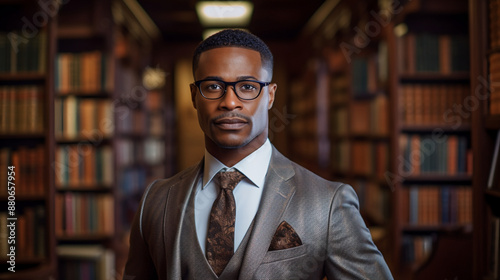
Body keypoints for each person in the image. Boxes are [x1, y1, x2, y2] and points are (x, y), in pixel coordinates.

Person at [123, 29, 393, 280]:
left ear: (271, 95)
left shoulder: (329, 203)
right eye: (214, 87)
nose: (230, 102)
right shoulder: (156, 200)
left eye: (248, 87)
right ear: (194, 96)